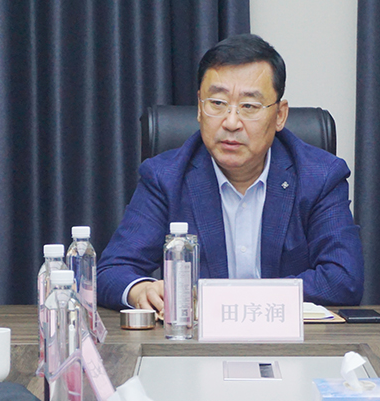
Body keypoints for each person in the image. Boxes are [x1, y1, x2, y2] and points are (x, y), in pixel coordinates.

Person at [97, 34, 364, 312]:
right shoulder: (166, 177)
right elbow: (112, 270)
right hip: (196, 339)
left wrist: (234, 299)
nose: (231, 122)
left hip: (288, 337)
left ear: (280, 115)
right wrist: (141, 289)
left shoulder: (319, 176)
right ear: (200, 108)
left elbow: (343, 279)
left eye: (249, 106)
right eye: (217, 103)